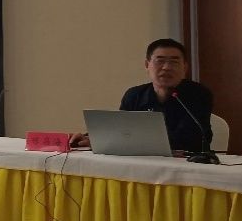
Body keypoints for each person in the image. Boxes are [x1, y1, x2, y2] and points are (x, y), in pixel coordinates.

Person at [71, 38, 214, 153]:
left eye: (174, 62)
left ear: (185, 67)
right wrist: (92, 138)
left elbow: (192, 139)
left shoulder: (199, 94)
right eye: (160, 61)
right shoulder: (134, 95)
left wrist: (131, 140)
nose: (166, 67)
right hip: (142, 164)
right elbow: (121, 131)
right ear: (147, 65)